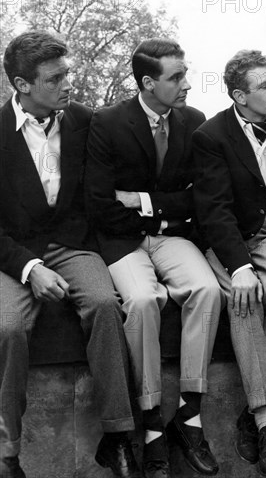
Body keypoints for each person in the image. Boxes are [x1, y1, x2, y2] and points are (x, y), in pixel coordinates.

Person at [0, 31, 139, 478]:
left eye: (68, 73)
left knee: (103, 304)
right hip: (14, 254)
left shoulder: (83, 120)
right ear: (22, 85)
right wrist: (28, 268)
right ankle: (7, 453)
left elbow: (98, 196)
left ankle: (118, 437)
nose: (67, 84)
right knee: (7, 327)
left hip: (73, 245)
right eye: (55, 78)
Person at [85, 38, 222, 477]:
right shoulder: (106, 123)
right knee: (143, 302)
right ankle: (150, 424)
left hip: (172, 237)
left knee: (206, 290)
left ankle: (189, 414)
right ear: (148, 82)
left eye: (185, 73)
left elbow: (198, 198)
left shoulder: (194, 121)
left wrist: (144, 202)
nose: (186, 83)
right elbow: (101, 203)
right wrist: (164, 206)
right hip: (122, 242)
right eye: (176, 77)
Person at [192, 49, 266, 476]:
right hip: (230, 238)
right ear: (240, 96)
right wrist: (239, 267)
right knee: (244, 298)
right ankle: (265, 418)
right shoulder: (211, 136)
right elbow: (214, 211)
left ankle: (257, 408)